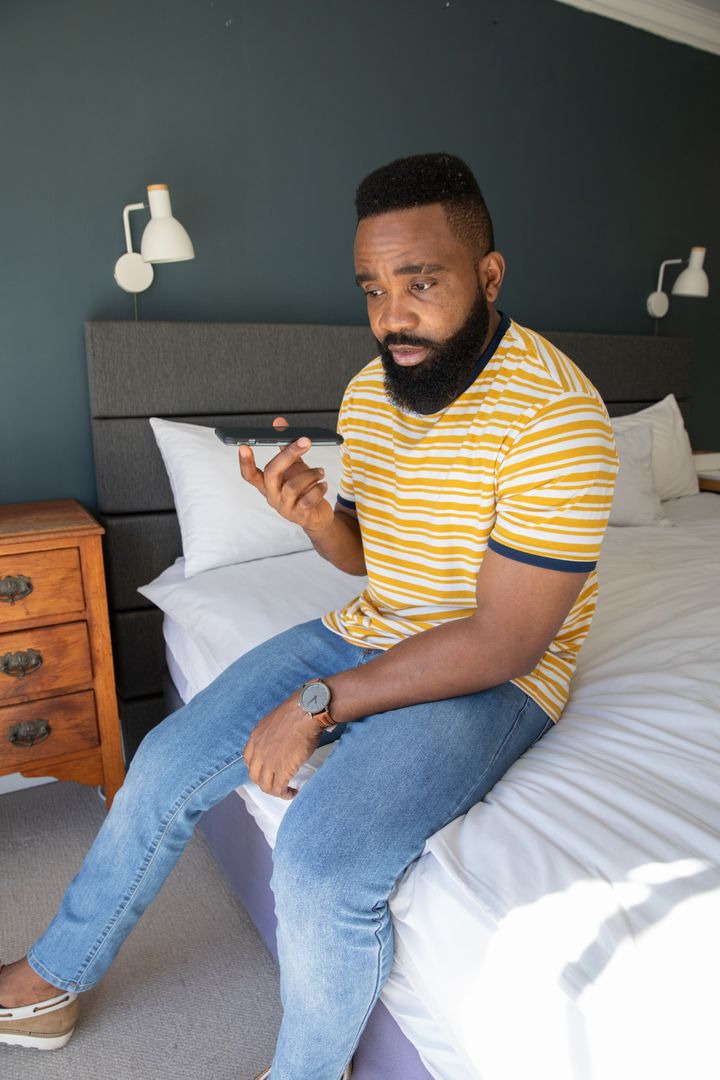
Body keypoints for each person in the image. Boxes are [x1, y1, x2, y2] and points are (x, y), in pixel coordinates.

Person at [0, 153, 617, 1079]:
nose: (390, 317)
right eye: (372, 288)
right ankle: (52, 980)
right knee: (165, 762)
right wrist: (322, 522)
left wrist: (321, 703)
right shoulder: (372, 393)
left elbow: (506, 638)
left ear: (490, 276)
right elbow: (378, 559)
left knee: (323, 867)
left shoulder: (558, 417)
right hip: (374, 625)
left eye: (422, 283)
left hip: (498, 673)